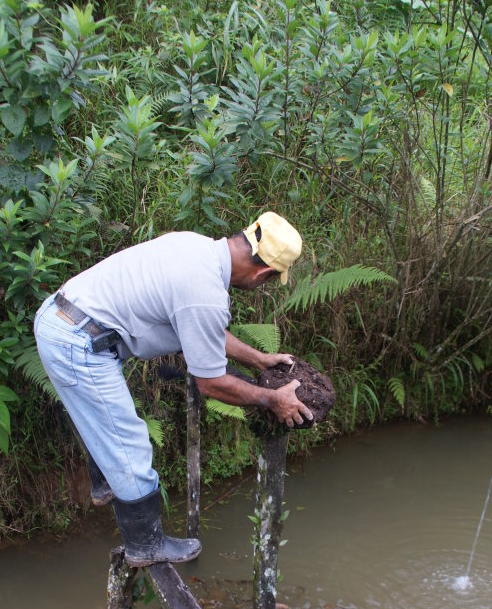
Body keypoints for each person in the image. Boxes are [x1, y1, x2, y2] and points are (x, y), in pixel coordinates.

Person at [34, 211, 313, 565]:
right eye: (270, 281)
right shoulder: (205, 293)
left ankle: (105, 482)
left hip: (64, 320)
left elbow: (204, 330)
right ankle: (145, 545)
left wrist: (259, 360)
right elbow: (210, 382)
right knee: (130, 443)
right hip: (77, 342)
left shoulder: (196, 248)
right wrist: (273, 400)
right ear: (263, 273)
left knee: (103, 419)